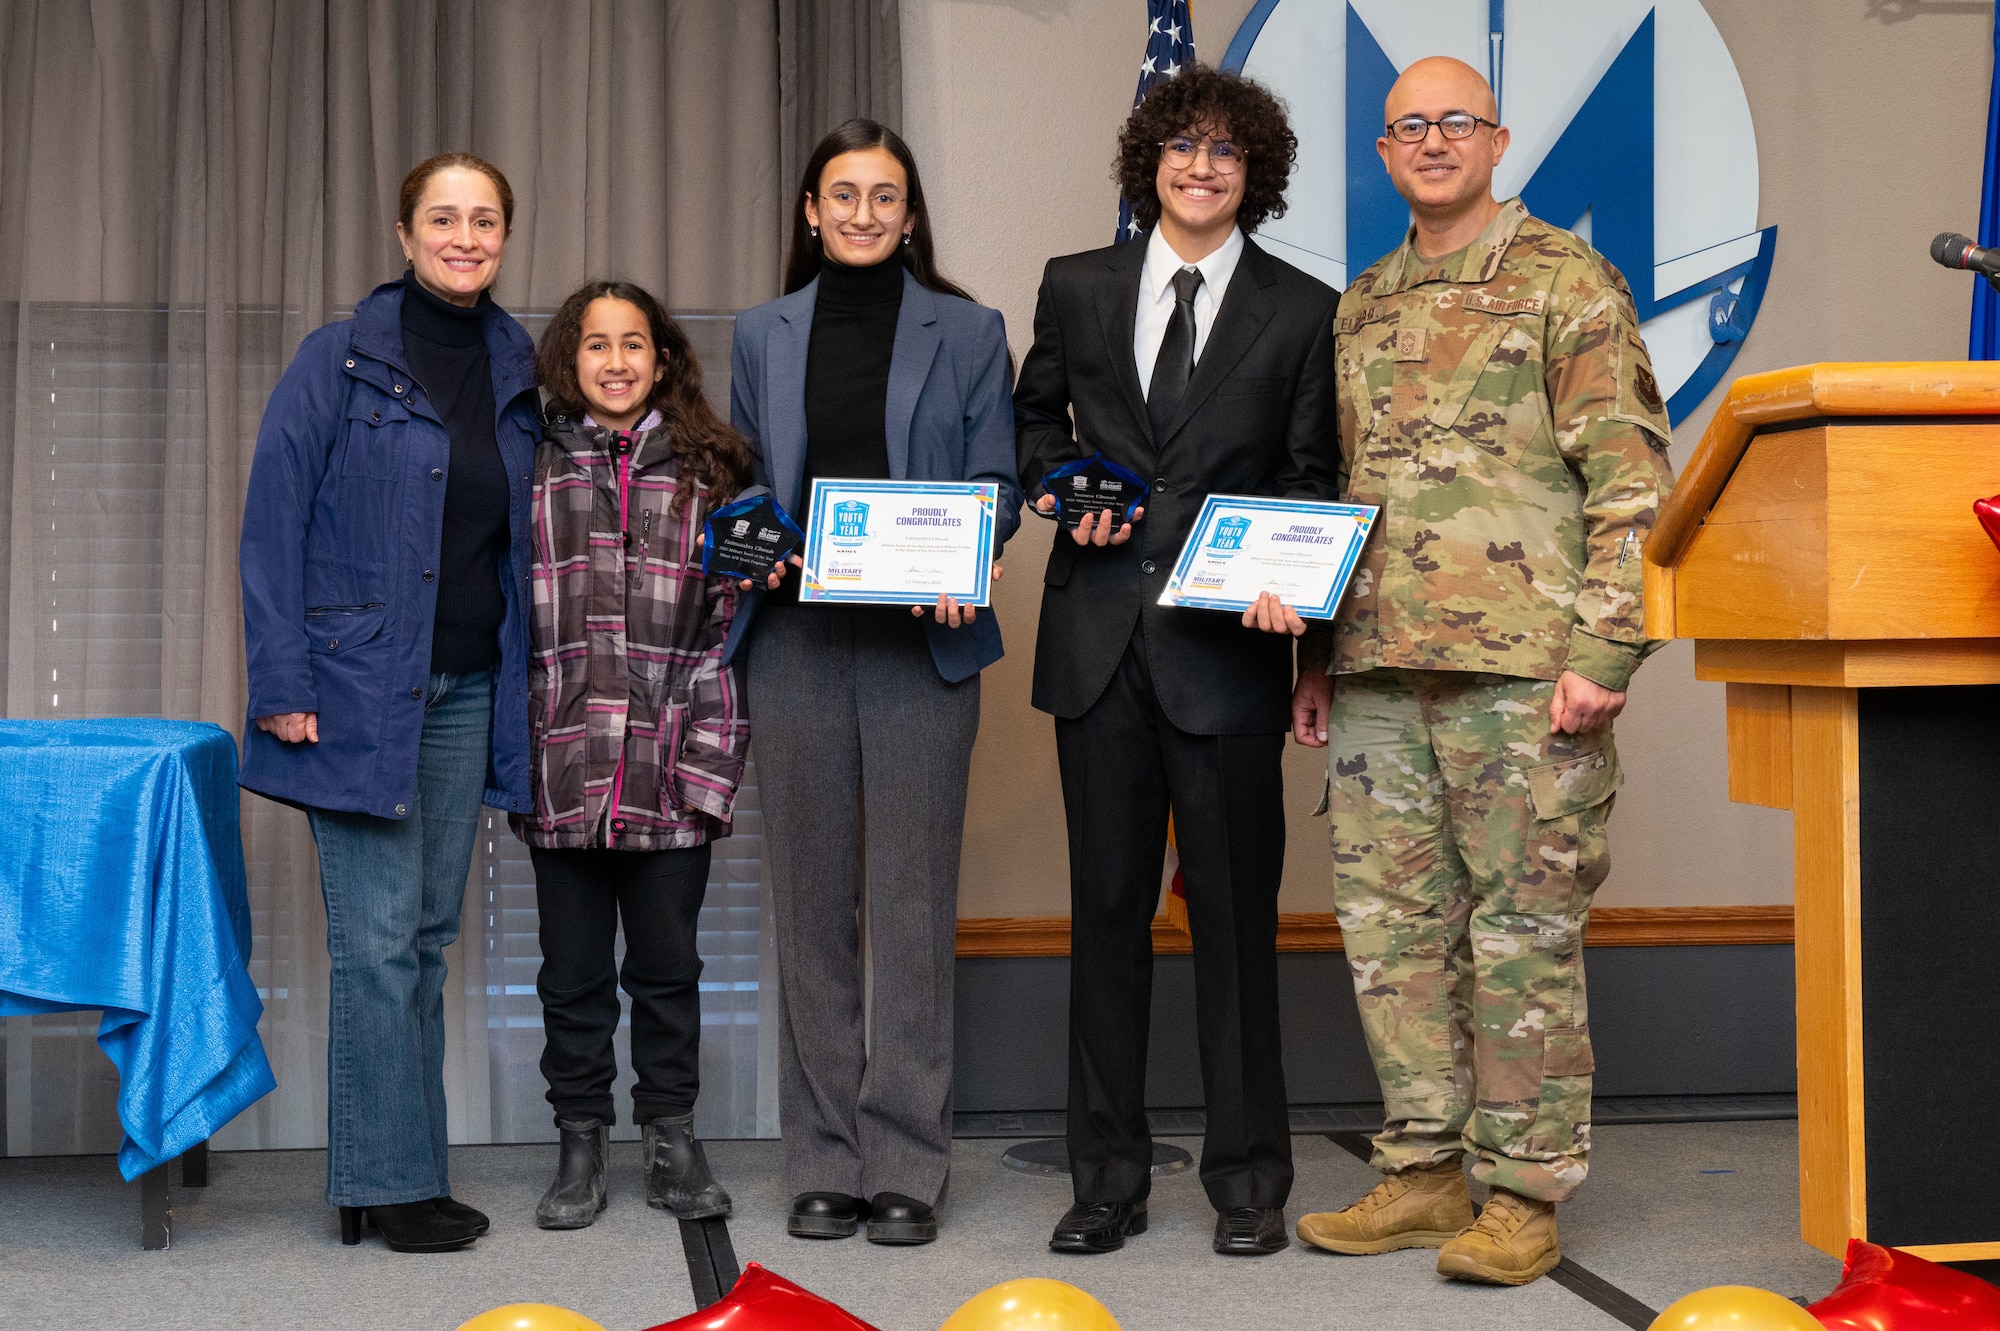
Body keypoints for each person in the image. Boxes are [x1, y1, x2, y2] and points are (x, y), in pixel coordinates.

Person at [1289, 57, 1675, 1286]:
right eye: (1408, 126)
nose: (1432, 140)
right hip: (1376, 669)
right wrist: (1314, 649)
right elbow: (1343, 491)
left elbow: (1629, 479)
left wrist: (1605, 646)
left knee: (1519, 935)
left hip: (1524, 671)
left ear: (1497, 140)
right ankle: (1421, 1167)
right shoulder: (1361, 302)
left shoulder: (1567, 280)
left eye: (1454, 121)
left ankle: (1520, 1188)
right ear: (1385, 150)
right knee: (1388, 932)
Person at [1013, 65, 1340, 1258]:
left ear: (1253, 178)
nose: (1199, 169)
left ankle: (1249, 1181)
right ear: (1146, 162)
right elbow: (1032, 424)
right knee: (1103, 915)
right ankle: (1103, 1178)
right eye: (1180, 149)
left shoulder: (1304, 310)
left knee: (1236, 930)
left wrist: (1294, 596)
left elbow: (1312, 481)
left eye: (1224, 154)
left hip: (1228, 656)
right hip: (1096, 645)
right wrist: (1061, 489)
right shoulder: (1076, 285)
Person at [725, 118, 1022, 1247]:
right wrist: (755, 539)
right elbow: (742, 479)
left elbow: (993, 477)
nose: (860, 213)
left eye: (883, 196)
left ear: (910, 214)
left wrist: (966, 561)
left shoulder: (968, 327)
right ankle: (823, 1156)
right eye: (840, 194)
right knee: (808, 906)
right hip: (795, 643)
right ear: (809, 209)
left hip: (918, 648)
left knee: (905, 905)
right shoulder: (761, 332)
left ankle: (904, 1156)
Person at [239, 152, 540, 1253]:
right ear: (405, 232)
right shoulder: (339, 359)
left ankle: (396, 1171)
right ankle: (386, 1181)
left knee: (422, 936)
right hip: (356, 688)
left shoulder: (518, 365)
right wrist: (281, 680)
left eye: (485, 220)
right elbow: (272, 519)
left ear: (504, 237)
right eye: (444, 218)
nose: (465, 237)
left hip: (466, 690)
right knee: (372, 941)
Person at [514, 281, 751, 1230]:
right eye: (596, 345)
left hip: (670, 767)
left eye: (635, 344)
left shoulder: (715, 474)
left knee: (668, 968)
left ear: (664, 360)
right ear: (569, 360)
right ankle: (579, 1139)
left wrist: (709, 760)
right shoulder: (529, 463)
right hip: (559, 760)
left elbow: (732, 629)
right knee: (570, 973)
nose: (616, 362)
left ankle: (670, 1136)